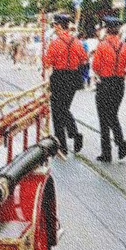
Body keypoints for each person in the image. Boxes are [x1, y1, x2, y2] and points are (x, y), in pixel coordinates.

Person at [43, 14, 87, 156]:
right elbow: (84, 60)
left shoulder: (55, 43)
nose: (54, 28)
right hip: (73, 78)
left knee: (58, 111)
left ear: (60, 26)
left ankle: (62, 145)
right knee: (64, 108)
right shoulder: (77, 42)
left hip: (59, 77)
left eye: (55, 25)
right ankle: (73, 135)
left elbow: (48, 63)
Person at [91, 16, 126, 162]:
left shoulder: (102, 46)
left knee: (104, 118)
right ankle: (120, 143)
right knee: (113, 115)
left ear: (107, 30)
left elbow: (95, 67)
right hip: (119, 84)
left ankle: (107, 152)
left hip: (105, 84)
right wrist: (121, 71)